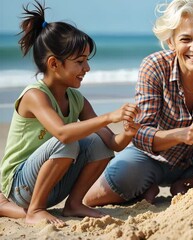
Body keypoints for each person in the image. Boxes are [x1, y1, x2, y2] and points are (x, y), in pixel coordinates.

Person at [83, 0, 193, 207]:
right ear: (171, 42)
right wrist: (181, 134)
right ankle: (150, 186)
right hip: (151, 158)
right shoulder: (154, 67)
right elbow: (139, 133)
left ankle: (182, 186)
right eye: (186, 39)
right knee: (94, 198)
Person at [0, 1, 140, 227]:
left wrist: (128, 132)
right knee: (68, 141)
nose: (87, 69)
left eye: (87, 61)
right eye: (80, 62)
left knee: (96, 142)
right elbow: (63, 134)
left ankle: (74, 203)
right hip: (20, 186)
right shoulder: (35, 95)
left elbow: (112, 144)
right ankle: (33, 210)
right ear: (54, 63)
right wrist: (108, 116)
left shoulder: (77, 100)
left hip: (51, 189)